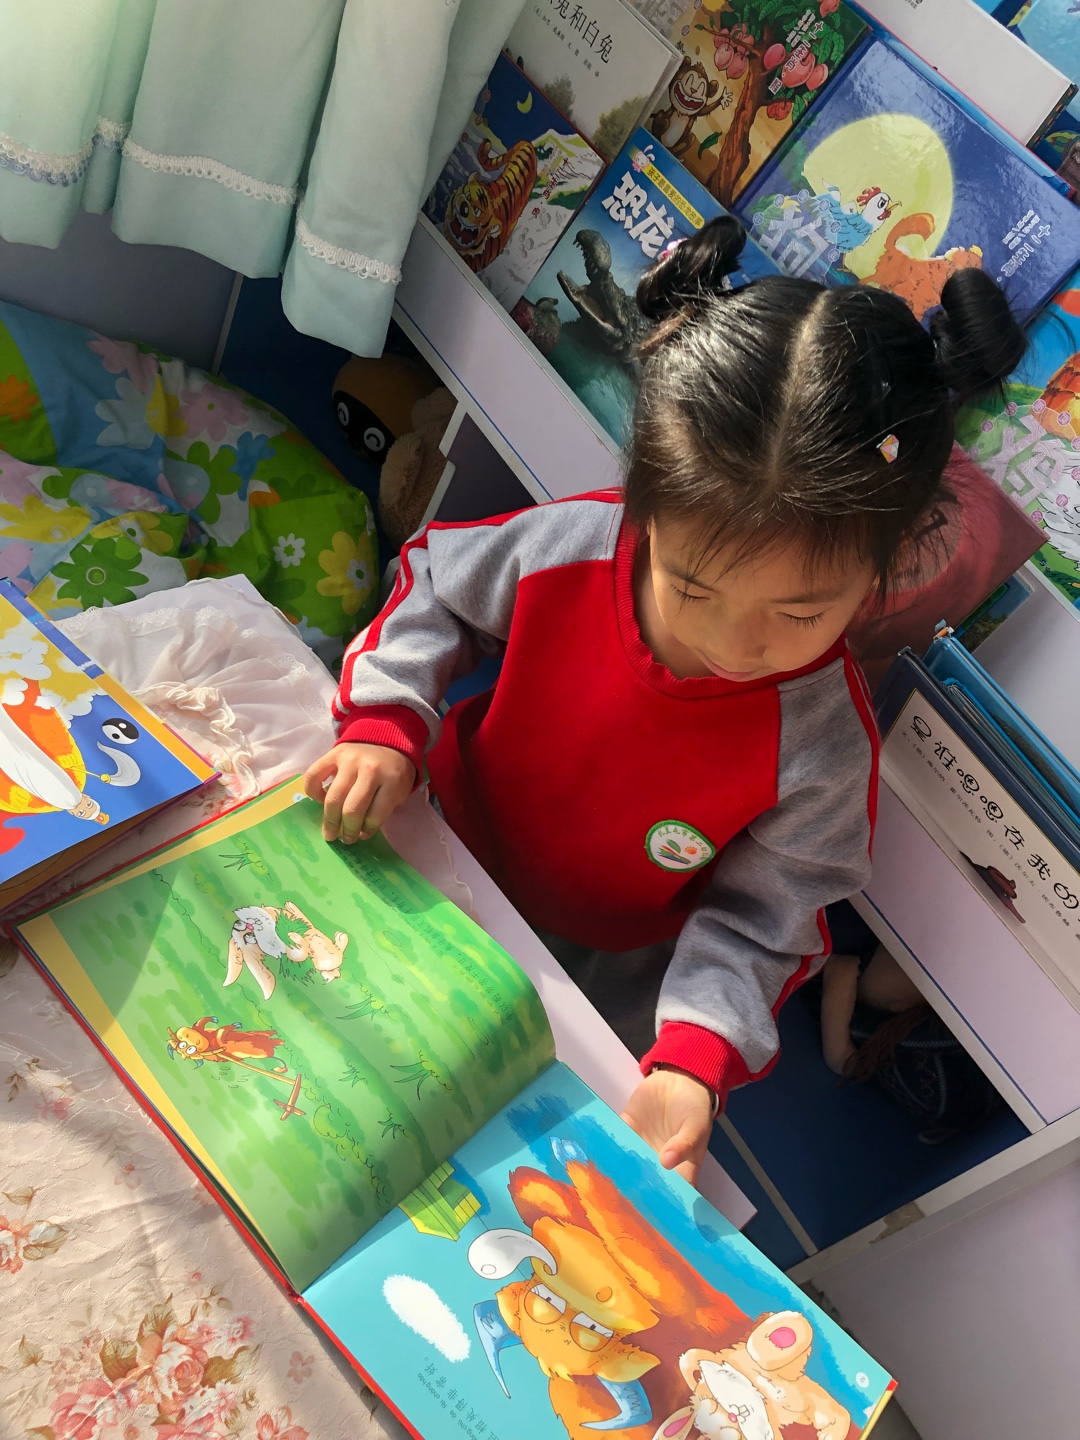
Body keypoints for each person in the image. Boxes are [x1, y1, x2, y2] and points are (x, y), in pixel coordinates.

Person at [304, 215, 1024, 1185]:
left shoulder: (821, 744)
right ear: (641, 502)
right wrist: (387, 721)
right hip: (437, 835)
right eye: (690, 587)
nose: (732, 645)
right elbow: (437, 589)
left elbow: (765, 921)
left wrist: (693, 1060)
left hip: (605, 960)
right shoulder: (576, 548)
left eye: (799, 613)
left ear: (881, 576)